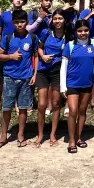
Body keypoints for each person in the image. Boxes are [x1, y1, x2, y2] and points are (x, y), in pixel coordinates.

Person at [0, 9, 38, 149]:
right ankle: (3, 136)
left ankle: (20, 135)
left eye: (22, 22)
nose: (20, 24)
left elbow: (36, 56)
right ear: (13, 23)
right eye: (17, 22)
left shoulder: (32, 38)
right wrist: (11, 56)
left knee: (23, 108)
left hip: (26, 78)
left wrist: (34, 74)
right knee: (7, 108)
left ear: (27, 22)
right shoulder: (8, 38)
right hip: (9, 77)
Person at [62, 20, 94, 153]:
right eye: (80, 31)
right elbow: (63, 67)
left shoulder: (93, 44)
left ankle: (78, 137)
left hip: (87, 83)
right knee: (73, 110)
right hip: (72, 83)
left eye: (85, 30)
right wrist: (63, 86)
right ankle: (71, 140)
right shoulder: (70, 45)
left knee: (82, 111)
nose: (83, 33)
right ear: (75, 32)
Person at [0, 0, 27, 113]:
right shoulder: (4, 16)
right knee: (0, 78)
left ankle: (17, 104)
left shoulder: (25, 16)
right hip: (4, 51)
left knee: (17, 78)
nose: (18, 0)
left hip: (18, 51)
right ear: (12, 0)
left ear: (24, 2)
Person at [34, 9, 67, 148]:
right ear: (52, 20)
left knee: (56, 103)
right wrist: (43, 56)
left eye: (60, 18)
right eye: (55, 18)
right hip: (43, 70)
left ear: (65, 20)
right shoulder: (46, 32)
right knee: (41, 104)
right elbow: (39, 48)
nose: (57, 21)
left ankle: (53, 134)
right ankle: (40, 135)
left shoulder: (68, 36)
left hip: (57, 72)